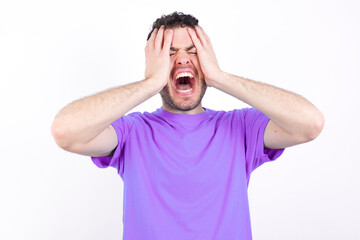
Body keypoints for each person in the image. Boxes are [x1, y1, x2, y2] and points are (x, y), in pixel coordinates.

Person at [51, 12, 324, 240]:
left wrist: (220, 77)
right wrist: (148, 84)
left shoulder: (240, 127)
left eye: (192, 51)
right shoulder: (131, 132)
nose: (182, 59)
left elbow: (310, 124)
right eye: (169, 54)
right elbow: (66, 131)